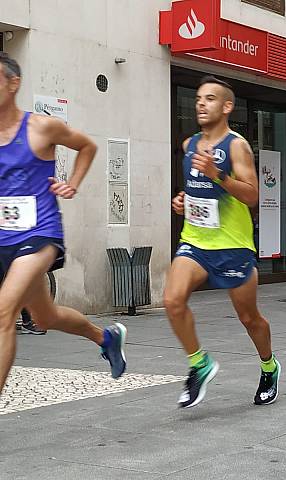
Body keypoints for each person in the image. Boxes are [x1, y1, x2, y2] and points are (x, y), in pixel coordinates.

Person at [0, 52, 127, 395]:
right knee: (44, 318)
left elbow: (86, 146)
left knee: (4, 311)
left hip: (39, 232)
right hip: (3, 237)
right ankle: (106, 337)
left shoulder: (41, 127)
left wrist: (73, 182)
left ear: (13, 84)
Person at [164, 75, 281, 409]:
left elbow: (252, 195)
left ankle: (269, 366)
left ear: (227, 106)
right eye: (199, 98)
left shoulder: (236, 146)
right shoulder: (189, 146)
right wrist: (183, 199)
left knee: (249, 318)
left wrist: (220, 175)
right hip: (196, 241)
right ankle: (199, 363)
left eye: (210, 99)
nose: (201, 103)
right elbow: (199, 189)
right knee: (173, 300)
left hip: (233, 246)